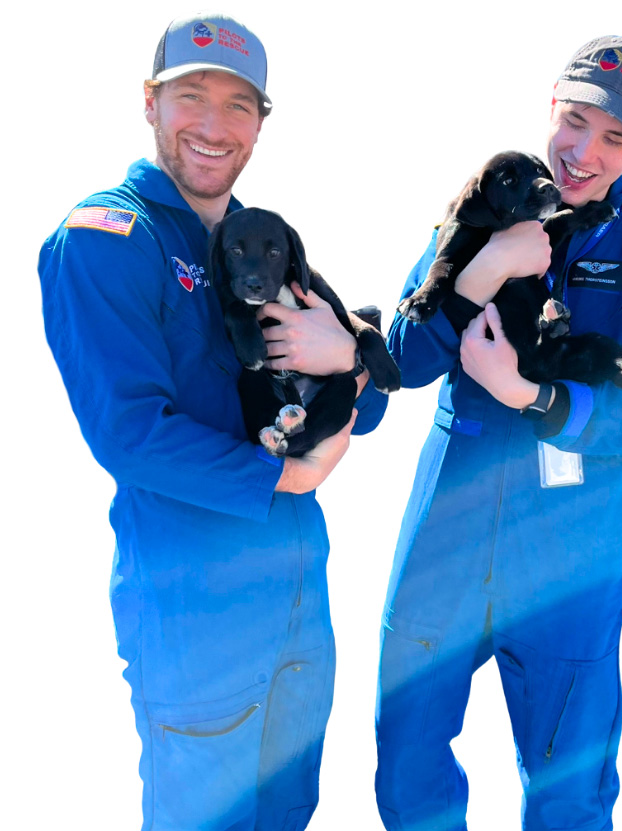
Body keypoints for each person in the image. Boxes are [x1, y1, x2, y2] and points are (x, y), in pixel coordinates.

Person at [38, 12, 387, 831]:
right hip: (197, 616)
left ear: (262, 125)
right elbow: (128, 430)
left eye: (239, 106)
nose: (213, 125)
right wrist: (286, 474)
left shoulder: (256, 242)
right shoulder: (107, 239)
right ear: (150, 104)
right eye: (190, 96)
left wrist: (349, 359)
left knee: (287, 812)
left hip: (299, 598)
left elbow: (345, 408)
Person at [375, 36, 622, 831]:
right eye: (575, 122)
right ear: (549, 107)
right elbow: (401, 357)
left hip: (569, 553)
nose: (583, 153)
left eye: (615, 137)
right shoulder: (481, 205)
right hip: (447, 535)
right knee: (408, 759)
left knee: (569, 785)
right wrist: (481, 272)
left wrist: (532, 396)